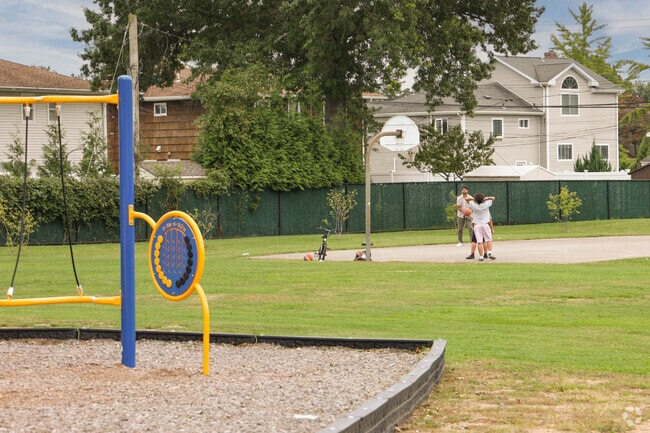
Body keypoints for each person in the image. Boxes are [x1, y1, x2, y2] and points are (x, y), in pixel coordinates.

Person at [466, 192, 496, 261]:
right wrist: (485, 198)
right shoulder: (486, 204)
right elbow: (493, 198)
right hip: (485, 224)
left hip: (477, 225)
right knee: (488, 239)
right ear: (483, 199)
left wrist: (475, 199)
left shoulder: (474, 205)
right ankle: (490, 253)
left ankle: (481, 256)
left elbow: (466, 198)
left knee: (479, 242)